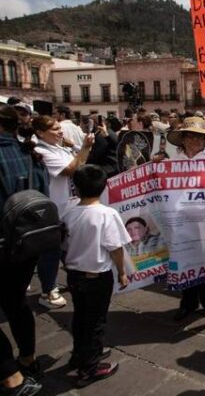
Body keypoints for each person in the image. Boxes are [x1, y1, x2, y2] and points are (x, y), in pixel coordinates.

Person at [61, 165, 129, 387]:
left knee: (81, 316)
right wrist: (122, 272)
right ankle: (89, 368)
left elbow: (64, 245)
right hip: (96, 277)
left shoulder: (68, 212)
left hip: (74, 275)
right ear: (103, 187)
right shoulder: (107, 214)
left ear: (76, 188)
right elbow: (115, 248)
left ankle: (80, 354)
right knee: (96, 322)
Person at [0, 105, 46, 396]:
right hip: (29, 242)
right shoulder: (31, 153)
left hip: (3, 244)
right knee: (17, 302)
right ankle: (28, 358)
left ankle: (10, 375)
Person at [166, 117, 205, 323]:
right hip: (181, 223)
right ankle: (188, 304)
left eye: (198, 136)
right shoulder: (173, 161)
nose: (194, 140)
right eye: (189, 135)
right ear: (182, 138)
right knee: (185, 262)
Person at [33, 115, 95, 309]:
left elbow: (81, 166)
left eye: (60, 127)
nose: (60, 131)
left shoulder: (58, 148)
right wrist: (83, 147)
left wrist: (80, 148)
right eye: (55, 129)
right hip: (54, 210)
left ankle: (73, 279)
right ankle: (48, 290)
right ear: (40, 133)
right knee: (51, 251)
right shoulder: (40, 151)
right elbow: (71, 170)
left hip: (69, 208)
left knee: (67, 249)